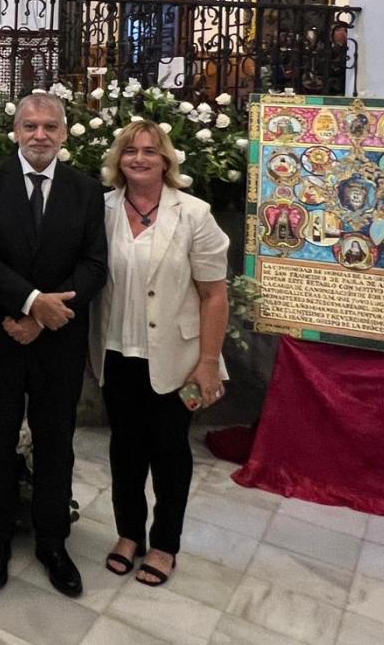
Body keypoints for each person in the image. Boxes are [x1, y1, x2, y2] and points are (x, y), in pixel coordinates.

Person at [0, 92, 107, 598]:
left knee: (56, 440)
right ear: (15, 131)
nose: (39, 135)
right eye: (30, 126)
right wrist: (29, 302)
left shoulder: (86, 190)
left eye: (49, 126)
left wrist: (43, 317)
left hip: (58, 339)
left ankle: (52, 541)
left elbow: (94, 264)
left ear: (63, 133)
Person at [89, 120, 228, 588]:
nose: (139, 159)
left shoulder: (194, 214)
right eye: (130, 151)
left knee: (170, 453)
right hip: (116, 350)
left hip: (176, 356)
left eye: (150, 151)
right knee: (125, 449)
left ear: (166, 160)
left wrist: (208, 361)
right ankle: (129, 534)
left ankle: (165, 543)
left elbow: (214, 295)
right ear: (118, 160)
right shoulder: (103, 209)